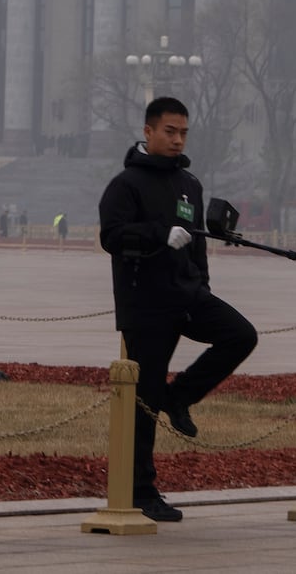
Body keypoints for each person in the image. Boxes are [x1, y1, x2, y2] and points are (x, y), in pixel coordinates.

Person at [98, 96, 257, 523]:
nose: (177, 139)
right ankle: (140, 491)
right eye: (169, 131)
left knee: (241, 335)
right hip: (145, 304)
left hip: (187, 295)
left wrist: (201, 283)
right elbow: (111, 237)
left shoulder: (190, 184)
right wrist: (156, 236)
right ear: (148, 131)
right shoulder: (126, 184)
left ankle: (180, 395)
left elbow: (198, 243)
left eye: (183, 132)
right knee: (142, 400)